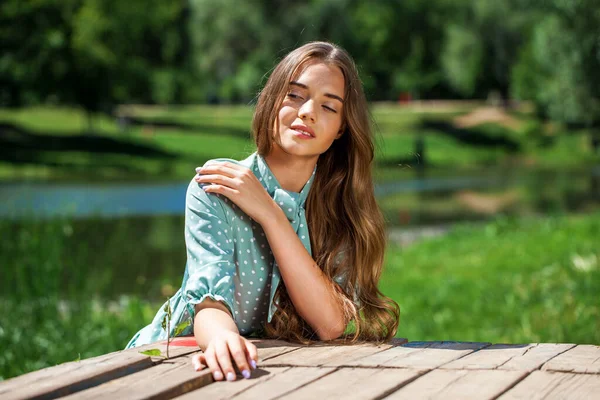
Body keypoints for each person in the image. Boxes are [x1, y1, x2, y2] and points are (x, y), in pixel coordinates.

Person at [125, 41, 400, 382]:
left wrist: (270, 215)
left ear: (341, 128)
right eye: (294, 96)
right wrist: (223, 338)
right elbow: (210, 301)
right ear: (271, 101)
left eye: (329, 107)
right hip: (178, 360)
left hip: (281, 371)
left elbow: (330, 325)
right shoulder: (217, 186)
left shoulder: (339, 205)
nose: (308, 112)